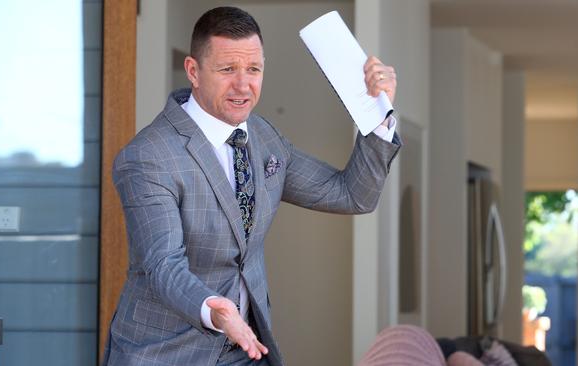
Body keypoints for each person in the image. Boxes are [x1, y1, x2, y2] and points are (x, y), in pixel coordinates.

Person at [103, 6, 400, 366]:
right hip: (167, 353)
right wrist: (216, 312)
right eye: (228, 69)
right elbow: (163, 264)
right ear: (193, 72)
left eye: (253, 69)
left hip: (245, 350)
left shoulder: (262, 136)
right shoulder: (149, 156)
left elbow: (351, 195)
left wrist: (378, 113)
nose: (243, 85)